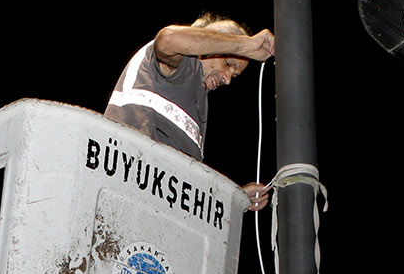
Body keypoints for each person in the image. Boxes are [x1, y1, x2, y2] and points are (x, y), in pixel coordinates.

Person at [104, 14, 276, 207]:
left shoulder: (197, 101)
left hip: (153, 205)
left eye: (234, 76)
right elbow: (168, 39)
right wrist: (246, 45)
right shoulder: (185, 64)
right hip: (124, 186)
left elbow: (184, 182)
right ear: (212, 47)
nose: (227, 79)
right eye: (228, 65)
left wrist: (233, 199)